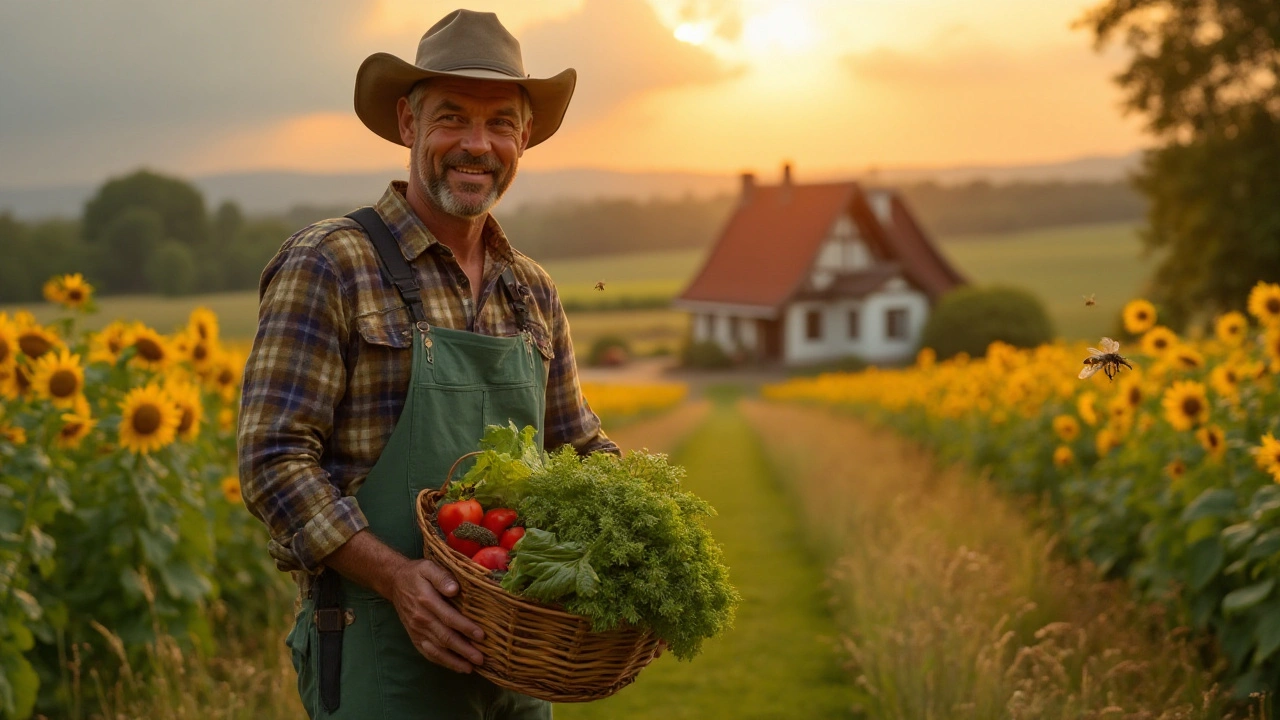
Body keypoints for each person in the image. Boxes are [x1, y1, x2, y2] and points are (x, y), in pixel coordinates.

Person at [237, 10, 618, 718]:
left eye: (501, 123)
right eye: (452, 119)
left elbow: (577, 446)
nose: (477, 146)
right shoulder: (330, 263)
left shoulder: (530, 289)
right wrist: (396, 579)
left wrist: (647, 519)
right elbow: (273, 459)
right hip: (378, 650)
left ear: (525, 137)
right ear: (408, 123)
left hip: (515, 659)